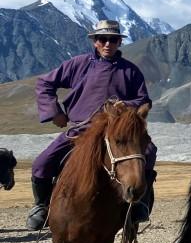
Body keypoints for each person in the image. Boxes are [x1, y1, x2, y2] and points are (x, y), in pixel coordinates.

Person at [27, 20, 157, 231]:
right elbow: (45, 83)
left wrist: (127, 105)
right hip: (80, 130)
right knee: (42, 163)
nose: (108, 44)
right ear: (95, 42)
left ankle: (139, 203)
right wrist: (55, 112)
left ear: (119, 42)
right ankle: (41, 206)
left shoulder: (131, 71)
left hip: (116, 133)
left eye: (113, 39)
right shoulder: (78, 64)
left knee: (148, 153)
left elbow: (144, 101)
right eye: (102, 39)